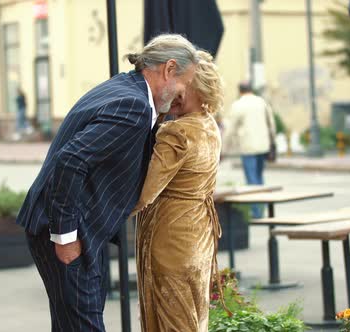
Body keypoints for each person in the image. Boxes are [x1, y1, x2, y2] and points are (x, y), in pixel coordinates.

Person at [15, 34, 198, 331]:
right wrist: (65, 237)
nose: (183, 94)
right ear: (169, 69)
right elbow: (70, 161)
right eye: (184, 83)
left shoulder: (126, 89)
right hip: (66, 232)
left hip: (79, 229)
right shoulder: (134, 106)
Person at [132, 50, 225, 332]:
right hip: (200, 234)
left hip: (170, 238)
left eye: (181, 85)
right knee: (194, 319)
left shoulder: (177, 133)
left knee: (170, 319)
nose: (173, 91)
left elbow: (145, 194)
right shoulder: (209, 124)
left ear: (198, 87)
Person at [222, 82, 275, 218]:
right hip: (263, 146)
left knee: (251, 180)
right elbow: (271, 123)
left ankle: (256, 211)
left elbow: (230, 129)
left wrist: (223, 149)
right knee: (259, 178)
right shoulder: (261, 102)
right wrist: (272, 142)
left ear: (240, 91)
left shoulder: (238, 105)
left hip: (248, 146)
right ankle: (261, 207)